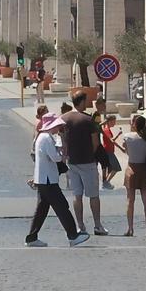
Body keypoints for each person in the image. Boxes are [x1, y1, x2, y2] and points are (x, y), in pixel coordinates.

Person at [25, 113, 89, 248]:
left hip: (44, 179)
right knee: (62, 207)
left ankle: (31, 237)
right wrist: (62, 152)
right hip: (48, 180)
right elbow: (55, 157)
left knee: (42, 210)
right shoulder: (46, 138)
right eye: (57, 125)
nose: (59, 128)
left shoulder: (43, 137)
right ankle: (73, 236)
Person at [61, 89, 108, 236]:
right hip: (87, 161)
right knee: (93, 195)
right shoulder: (88, 120)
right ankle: (97, 225)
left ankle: (80, 226)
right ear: (81, 101)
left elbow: (62, 140)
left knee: (77, 195)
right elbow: (95, 142)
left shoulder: (64, 118)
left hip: (72, 162)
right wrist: (91, 154)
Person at [115, 114, 146, 237]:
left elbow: (126, 150)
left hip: (131, 168)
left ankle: (130, 228)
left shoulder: (128, 137)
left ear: (134, 124)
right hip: (144, 169)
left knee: (130, 200)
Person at [99, 114, 122, 190]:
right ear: (110, 121)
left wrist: (118, 135)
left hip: (109, 151)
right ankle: (106, 183)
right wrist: (121, 148)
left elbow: (111, 140)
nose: (114, 123)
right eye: (114, 121)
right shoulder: (106, 130)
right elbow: (112, 141)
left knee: (111, 168)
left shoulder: (106, 129)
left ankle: (106, 183)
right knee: (116, 167)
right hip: (108, 151)